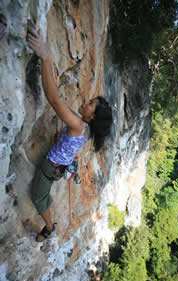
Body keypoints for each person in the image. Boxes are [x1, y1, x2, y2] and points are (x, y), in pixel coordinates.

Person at [27, 27, 113, 242]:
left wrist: (46, 58)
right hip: (60, 165)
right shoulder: (86, 127)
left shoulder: (78, 125)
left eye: (90, 104)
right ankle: (48, 225)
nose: (86, 102)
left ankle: (48, 227)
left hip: (52, 166)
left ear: (92, 116)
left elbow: (55, 101)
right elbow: (62, 103)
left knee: (38, 197)